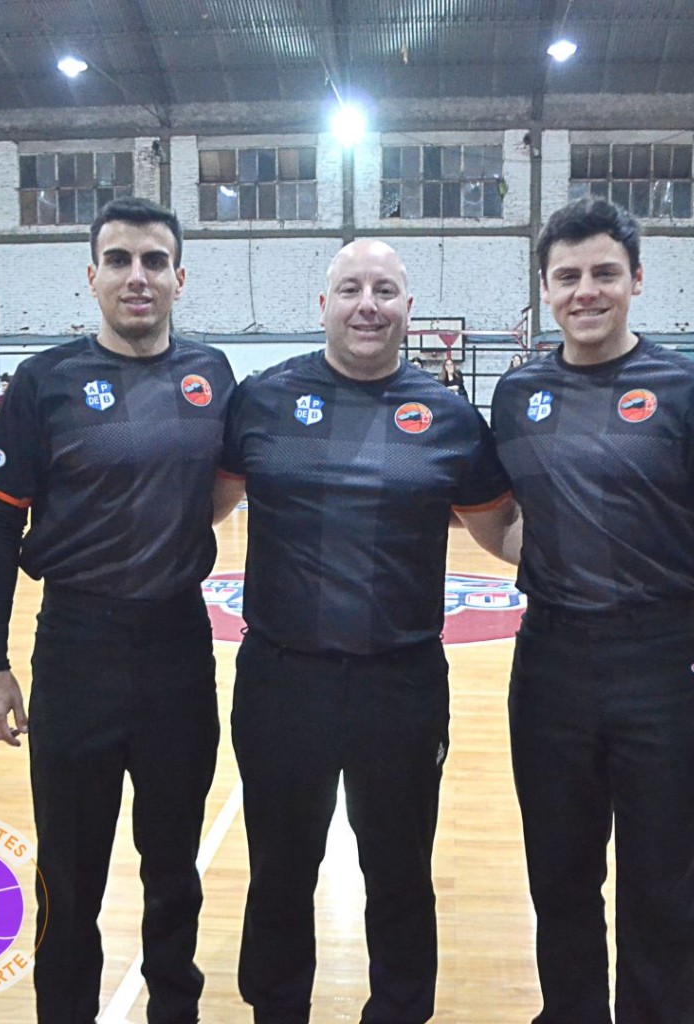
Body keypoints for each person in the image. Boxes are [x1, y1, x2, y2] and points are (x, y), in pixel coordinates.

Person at [215, 239, 518, 1024]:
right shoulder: (263, 400)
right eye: (351, 289)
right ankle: (276, 1011)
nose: (368, 305)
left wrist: (625, 534)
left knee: (401, 876)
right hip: (283, 681)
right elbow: (200, 504)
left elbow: (504, 533)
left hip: (402, 684)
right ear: (324, 305)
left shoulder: (450, 417)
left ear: (409, 309)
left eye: (385, 290)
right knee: (280, 874)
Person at [491, 197, 694, 1024]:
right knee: (560, 880)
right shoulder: (517, 394)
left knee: (663, 892)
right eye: (568, 276)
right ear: (546, 289)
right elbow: (498, 517)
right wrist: (547, 554)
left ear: (637, 280)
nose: (586, 290)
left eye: (604, 273)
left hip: (661, 663)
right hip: (548, 663)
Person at [0, 197, 236, 1024]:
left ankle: (174, 1012)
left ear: (179, 278)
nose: (136, 276)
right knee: (69, 875)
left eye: (154, 260)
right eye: (118, 259)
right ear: (92, 276)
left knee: (173, 871)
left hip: (178, 650)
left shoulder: (213, 375)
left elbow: (230, 484)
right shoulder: (42, 382)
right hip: (76, 649)